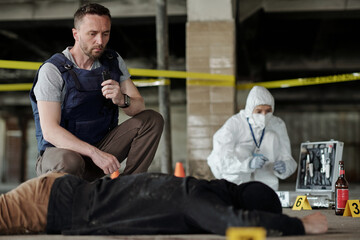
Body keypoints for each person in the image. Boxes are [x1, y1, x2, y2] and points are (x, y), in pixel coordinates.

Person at [29, 3, 164, 181]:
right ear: (76, 34)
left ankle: (128, 188)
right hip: (61, 157)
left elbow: (138, 106)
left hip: (101, 152)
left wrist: (122, 99)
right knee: (70, 161)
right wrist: (94, 153)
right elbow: (50, 132)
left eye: (105, 33)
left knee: (152, 119)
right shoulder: (53, 70)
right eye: (92, 34)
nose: (100, 41)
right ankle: (67, 201)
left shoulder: (112, 61)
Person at [0, 172, 327, 236]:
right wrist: (298, 225)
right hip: (53, 202)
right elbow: (235, 224)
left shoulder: (198, 189)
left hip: (62, 196)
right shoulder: (194, 198)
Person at [207, 86, 297, 190]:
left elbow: (288, 158)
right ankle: (235, 191)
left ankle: (267, 191)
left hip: (263, 175)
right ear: (250, 109)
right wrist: (247, 164)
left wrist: (285, 166)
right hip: (234, 174)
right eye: (259, 111)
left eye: (268, 111)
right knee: (241, 150)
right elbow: (220, 159)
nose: (264, 115)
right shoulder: (235, 123)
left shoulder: (277, 124)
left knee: (271, 137)